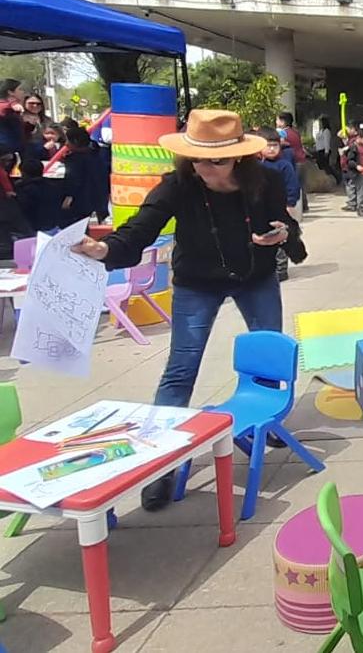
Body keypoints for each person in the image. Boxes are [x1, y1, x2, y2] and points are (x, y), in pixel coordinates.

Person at [73, 110, 306, 511]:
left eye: (216, 160)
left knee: (269, 358)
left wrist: (285, 236)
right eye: (198, 159)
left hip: (255, 277)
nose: (206, 168)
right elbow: (139, 229)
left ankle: (265, 424)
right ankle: (160, 465)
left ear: (238, 157)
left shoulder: (263, 182)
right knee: (181, 368)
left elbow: (286, 224)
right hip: (197, 283)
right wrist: (105, 249)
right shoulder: (178, 185)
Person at [258, 127, 301, 281]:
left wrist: (290, 205)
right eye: (267, 145)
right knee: (263, 237)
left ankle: (281, 269)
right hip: (261, 209)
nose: (271, 149)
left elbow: (293, 187)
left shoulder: (284, 166)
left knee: (281, 237)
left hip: (281, 208)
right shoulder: (255, 165)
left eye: (274, 145)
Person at [58, 124, 99, 226]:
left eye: (68, 140)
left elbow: (73, 179)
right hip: (93, 197)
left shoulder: (75, 160)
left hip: (79, 199)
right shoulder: (95, 154)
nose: (66, 144)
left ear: (75, 142)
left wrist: (69, 196)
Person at [275, 112, 308, 213]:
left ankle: (298, 207)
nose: (276, 122)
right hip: (302, 160)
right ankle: (304, 206)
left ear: (282, 121)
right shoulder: (295, 132)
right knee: (301, 186)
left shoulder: (283, 134)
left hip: (294, 162)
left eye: (277, 120)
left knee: (294, 185)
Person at [15, 158, 60, 232]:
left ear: (24, 173)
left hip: (33, 227)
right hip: (52, 224)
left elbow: (22, 208)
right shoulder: (53, 186)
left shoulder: (25, 189)